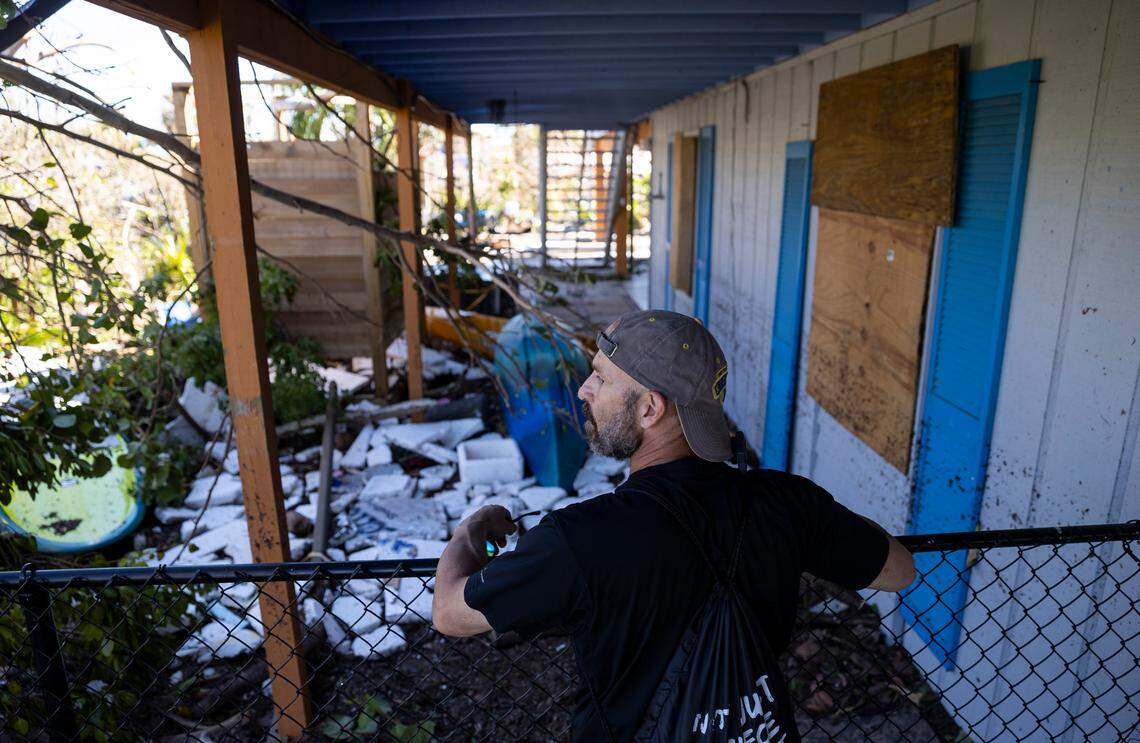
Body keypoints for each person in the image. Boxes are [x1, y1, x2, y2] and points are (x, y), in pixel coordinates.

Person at [433, 310, 916, 741]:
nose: (584, 389)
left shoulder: (580, 539)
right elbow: (898, 571)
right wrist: (807, 523)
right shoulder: (785, 501)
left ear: (650, 408)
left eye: (600, 378)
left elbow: (450, 615)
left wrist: (468, 532)